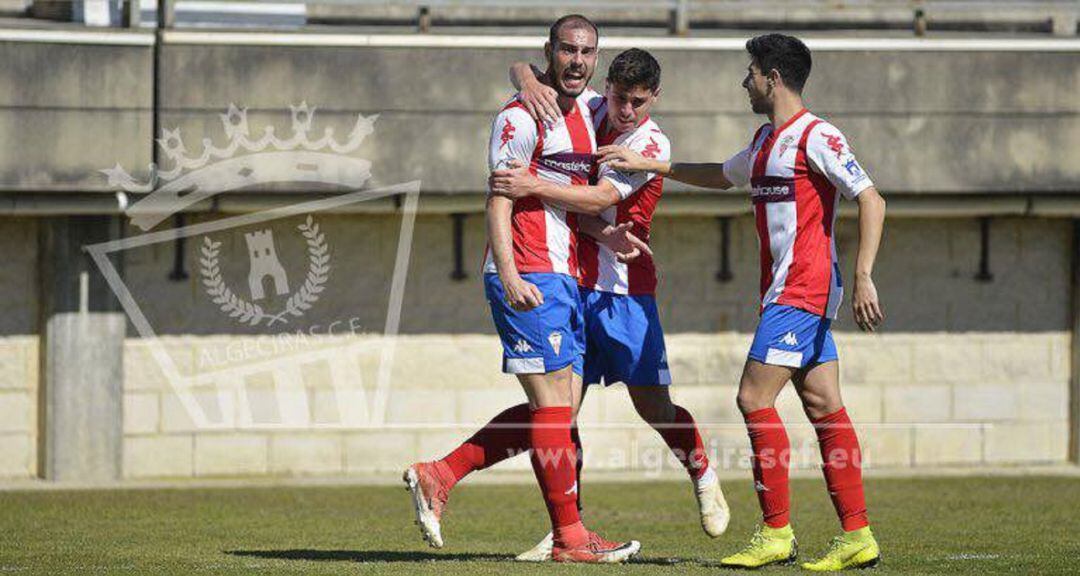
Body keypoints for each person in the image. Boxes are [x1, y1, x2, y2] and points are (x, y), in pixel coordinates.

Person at [598, 33, 887, 571]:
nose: (744, 81)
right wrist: (649, 164)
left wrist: (865, 274)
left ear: (773, 77)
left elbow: (870, 197)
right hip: (789, 291)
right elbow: (720, 176)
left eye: (751, 71)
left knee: (753, 398)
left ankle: (776, 531)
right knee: (824, 405)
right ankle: (857, 534)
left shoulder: (816, 135)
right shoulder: (762, 141)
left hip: (804, 287)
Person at [403, 14, 641, 564]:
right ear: (549, 52)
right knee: (554, 407)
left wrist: (604, 233)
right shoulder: (520, 115)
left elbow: (564, 200)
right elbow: (500, 197)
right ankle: (570, 539)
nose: (577, 60)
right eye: (567, 50)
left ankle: (440, 474)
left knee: (560, 408)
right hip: (528, 272)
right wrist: (508, 275)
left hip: (564, 275)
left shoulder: (583, 115)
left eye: (586, 52)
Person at [491, 47, 730, 562]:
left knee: (654, 407)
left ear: (654, 98)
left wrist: (531, 183)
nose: (624, 112)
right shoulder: (593, 107)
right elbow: (532, 69)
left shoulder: (650, 140)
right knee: (558, 415)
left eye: (636, 102)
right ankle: (565, 528)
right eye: (619, 99)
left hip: (625, 290)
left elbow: (600, 199)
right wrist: (525, 79)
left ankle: (702, 471)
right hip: (573, 282)